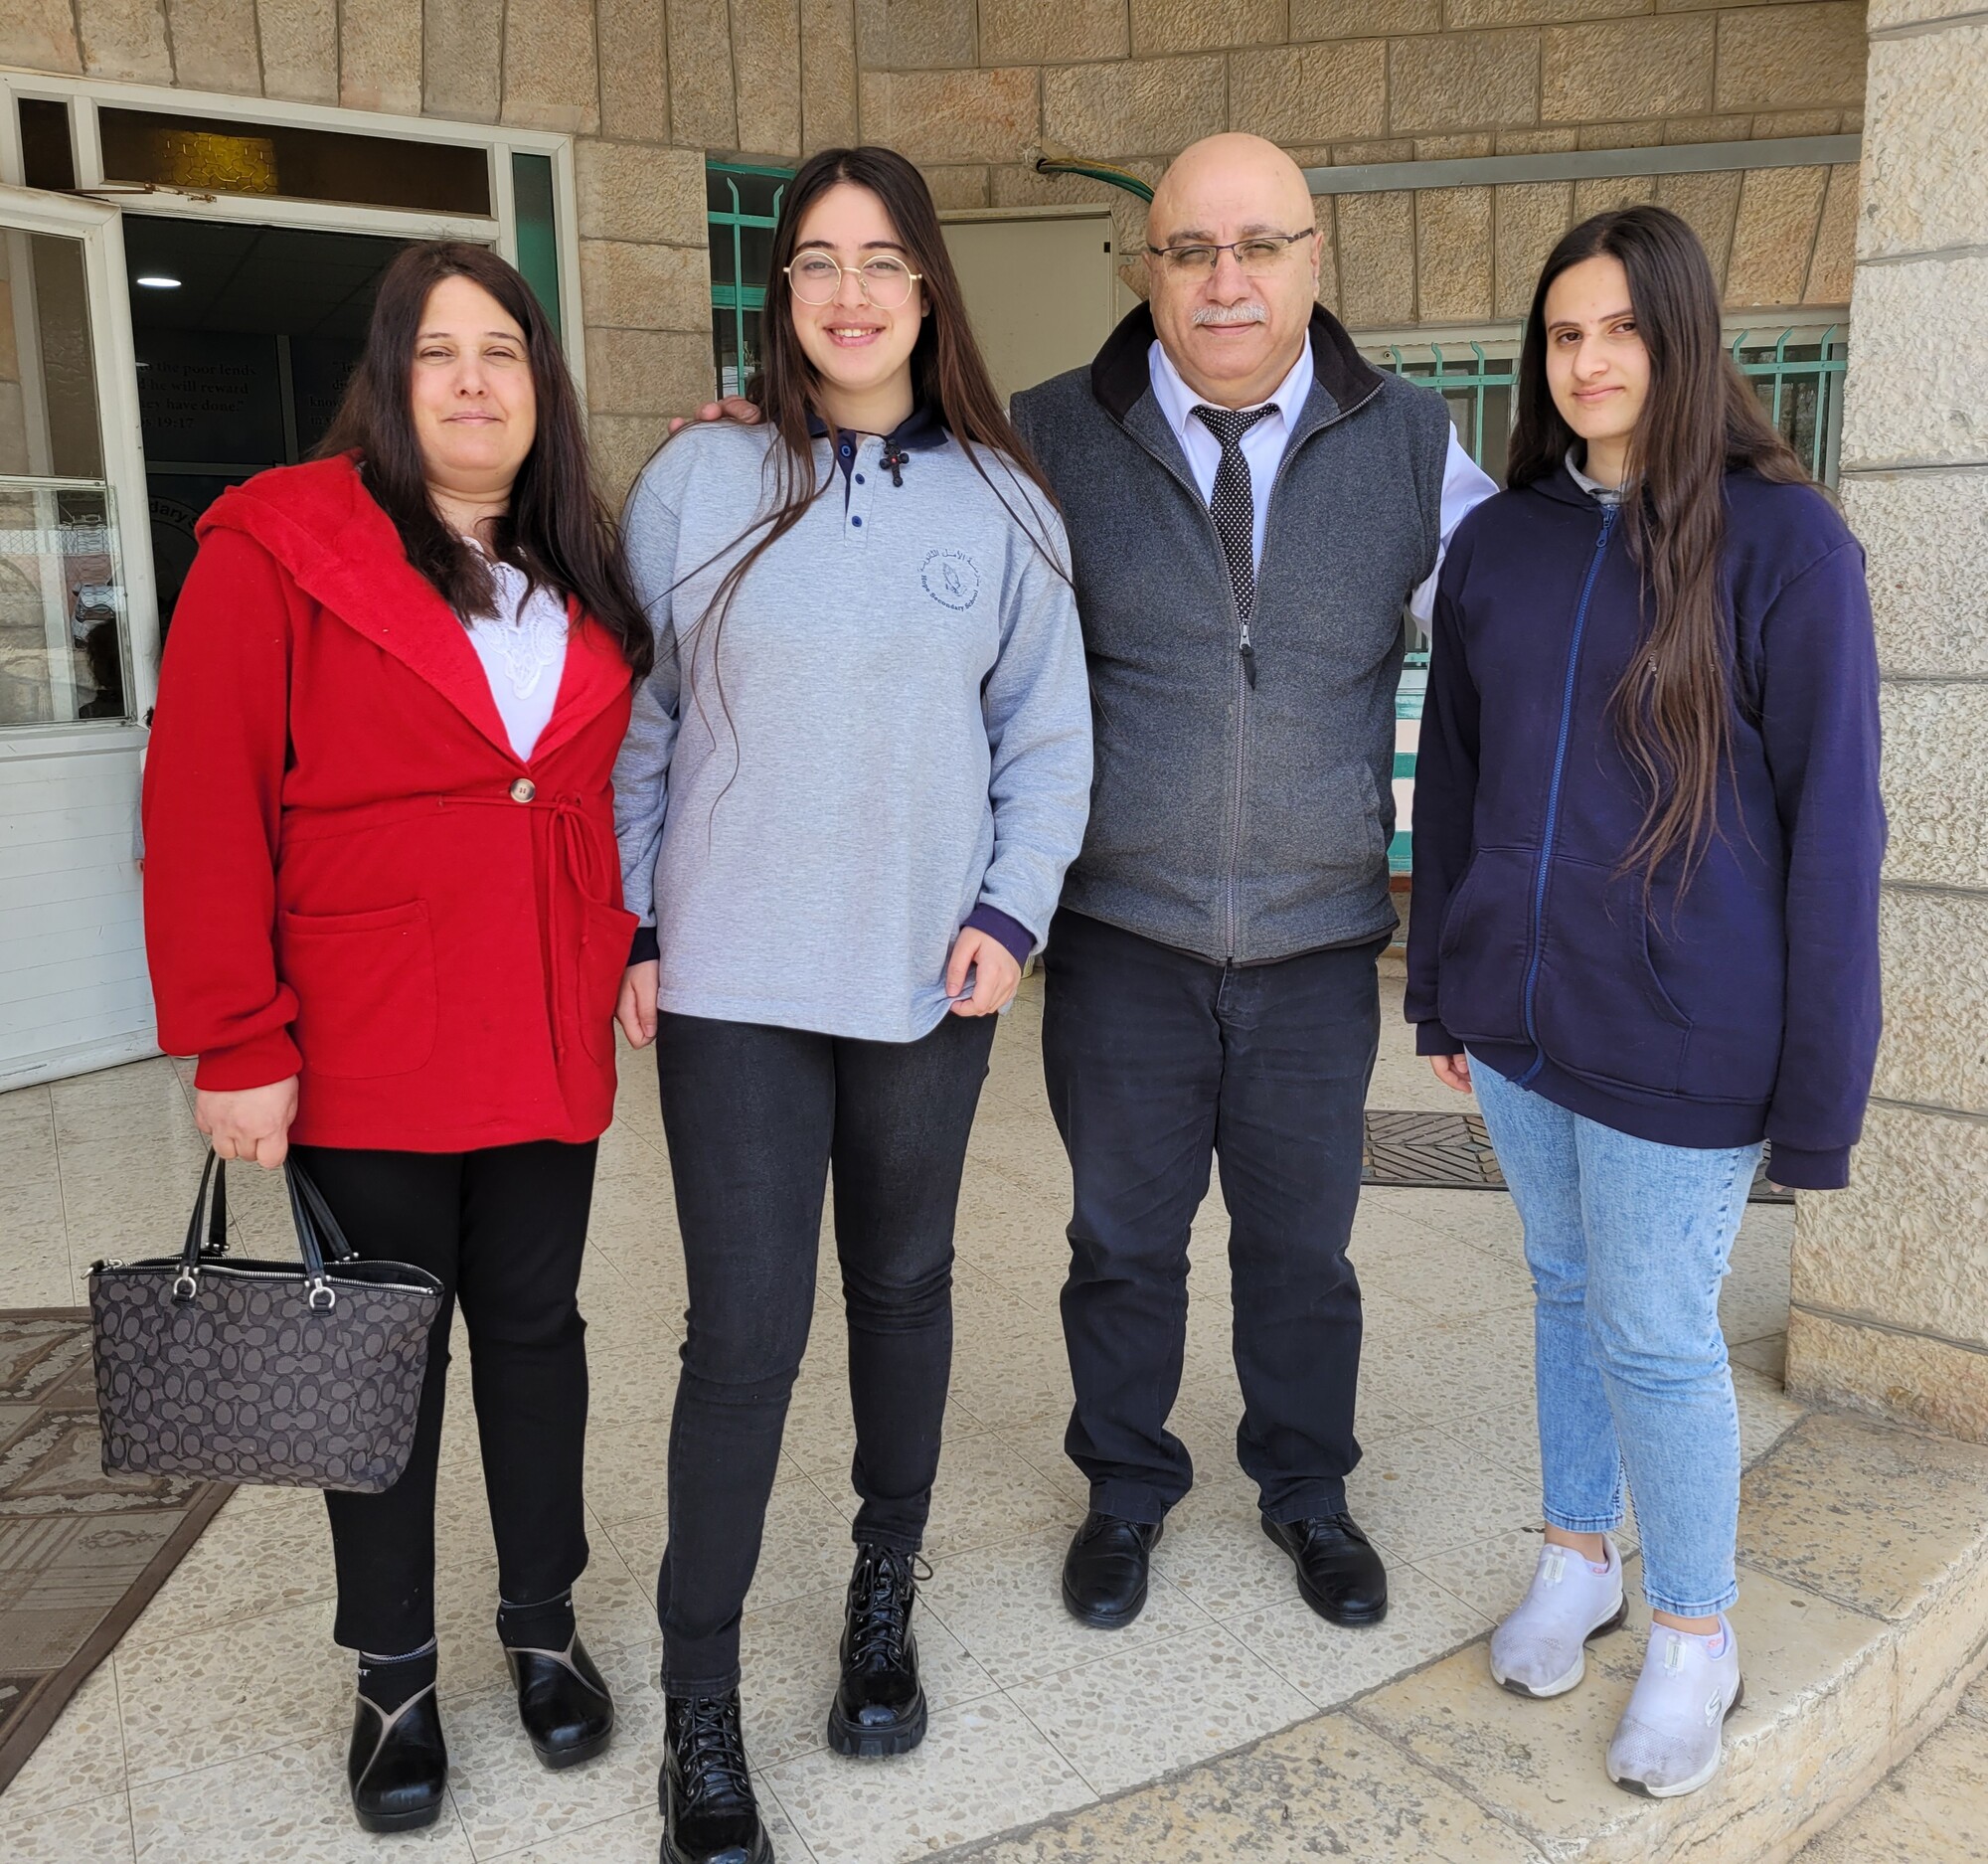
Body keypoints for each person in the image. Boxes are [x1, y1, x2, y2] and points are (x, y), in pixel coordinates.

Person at [612, 146, 1090, 1864]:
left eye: (883, 258)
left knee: (901, 1286)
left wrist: (1007, 914)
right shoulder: (699, 478)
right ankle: (701, 1711)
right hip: (734, 975)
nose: (850, 291)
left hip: (923, 978)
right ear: (783, 294)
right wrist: (631, 916)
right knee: (740, 1340)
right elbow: (643, 719)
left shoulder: (1009, 502)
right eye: (816, 260)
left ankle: (882, 1597)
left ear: (928, 287)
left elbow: (1047, 737)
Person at [140, 242, 650, 1833]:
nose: (477, 382)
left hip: (545, 1027)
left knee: (540, 1342)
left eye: (504, 352)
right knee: (383, 1368)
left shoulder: (579, 558)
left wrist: (632, 935)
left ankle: (540, 1626)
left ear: (541, 386)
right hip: (365, 1039)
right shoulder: (282, 543)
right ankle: (393, 1671)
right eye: (441, 354)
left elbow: (610, 786)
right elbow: (203, 798)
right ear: (391, 378)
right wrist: (234, 1039)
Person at [1406, 205, 1883, 1797]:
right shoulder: (1502, 543)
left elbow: (1836, 826)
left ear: (1683, 342)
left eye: (1622, 329)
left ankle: (1695, 1631)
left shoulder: (1786, 544)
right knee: (1560, 1290)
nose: (1591, 360)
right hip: (1530, 1025)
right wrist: (1448, 994)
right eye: (1563, 334)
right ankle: (1576, 1554)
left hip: (1689, 1030)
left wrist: (1821, 1090)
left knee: (1658, 1331)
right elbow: (1459, 791)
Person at [1005, 132, 1495, 1632]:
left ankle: (1306, 1489)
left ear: (1312, 258)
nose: (1226, 281)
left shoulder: (1412, 442)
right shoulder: (1046, 436)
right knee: (1121, 1242)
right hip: (1121, 938)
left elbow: (1528, 607)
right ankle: (1127, 1486)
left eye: (1258, 247)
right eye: (1191, 252)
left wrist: (1684, 514)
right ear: (1146, 270)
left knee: (1303, 1247)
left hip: (1314, 945)